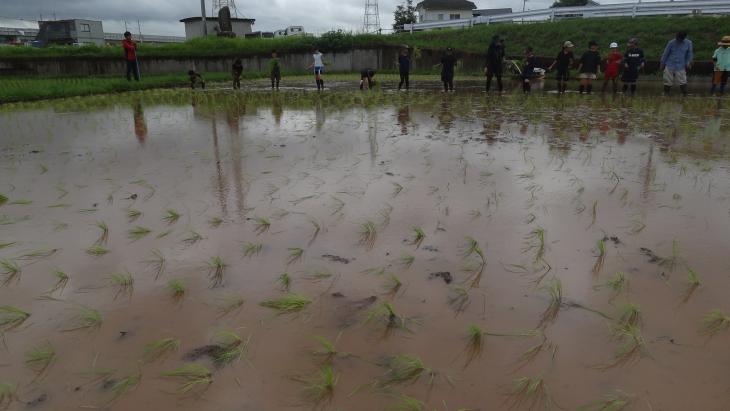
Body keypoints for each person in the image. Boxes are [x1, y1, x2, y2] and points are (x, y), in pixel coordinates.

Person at [660, 31, 693, 96]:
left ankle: (684, 94)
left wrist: (688, 63)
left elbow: (689, 54)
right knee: (667, 80)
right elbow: (665, 54)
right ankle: (666, 93)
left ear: (683, 38)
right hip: (670, 64)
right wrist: (662, 63)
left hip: (681, 65)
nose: (678, 39)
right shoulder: (671, 43)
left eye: (679, 38)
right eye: (677, 37)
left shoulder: (688, 43)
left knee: (682, 80)